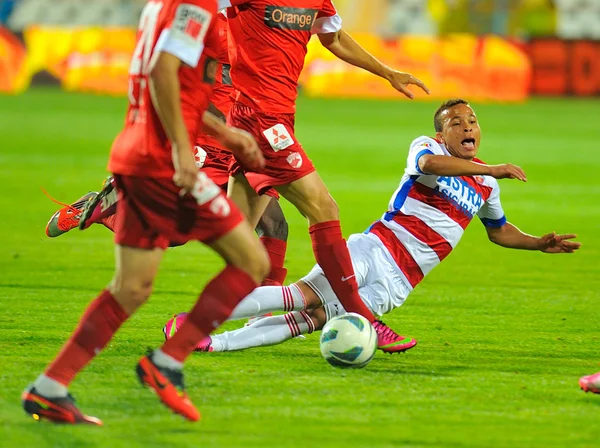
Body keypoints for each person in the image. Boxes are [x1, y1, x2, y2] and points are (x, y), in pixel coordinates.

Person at [22, 0, 270, 426]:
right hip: (160, 162)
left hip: (133, 158)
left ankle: (49, 388)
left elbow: (177, 87)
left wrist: (227, 135)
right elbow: (163, 71)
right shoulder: (197, 1)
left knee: (131, 288)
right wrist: (185, 152)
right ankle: (167, 361)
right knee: (253, 262)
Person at [163, 99, 580, 354]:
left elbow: (498, 230)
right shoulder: (428, 147)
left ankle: (211, 342)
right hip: (375, 249)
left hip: (402, 281)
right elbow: (426, 167)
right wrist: (491, 167)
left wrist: (537, 243)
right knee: (299, 296)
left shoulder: (486, 185)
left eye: (471, 121)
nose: (467, 127)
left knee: (307, 321)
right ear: (441, 131)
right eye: (456, 122)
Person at [214, 0, 430, 351]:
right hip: (260, 119)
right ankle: (363, 315)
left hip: (275, 117)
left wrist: (387, 72)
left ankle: (134, 219)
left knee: (240, 242)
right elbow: (201, 0)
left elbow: (332, 36)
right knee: (324, 208)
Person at [43, 0, 290, 287]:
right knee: (177, 233)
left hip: (242, 139)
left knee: (275, 225)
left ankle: (267, 312)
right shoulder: (206, 24)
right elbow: (172, 79)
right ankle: (109, 206)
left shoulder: (251, 25)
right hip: (213, 142)